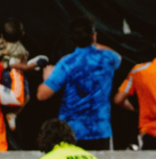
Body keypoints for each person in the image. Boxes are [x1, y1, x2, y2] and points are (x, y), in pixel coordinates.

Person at [37, 16, 120, 151]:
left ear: (71, 39)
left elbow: (42, 95)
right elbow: (118, 57)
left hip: (72, 133)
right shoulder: (109, 58)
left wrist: (48, 77)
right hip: (100, 130)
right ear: (94, 36)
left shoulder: (66, 63)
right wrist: (92, 43)